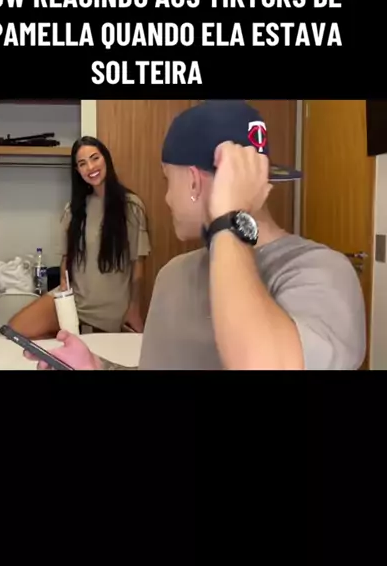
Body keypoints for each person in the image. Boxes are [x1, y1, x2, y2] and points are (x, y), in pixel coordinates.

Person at [25, 100, 366, 371]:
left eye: (167, 180)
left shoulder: (321, 272)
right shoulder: (173, 275)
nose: (166, 198)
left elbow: (265, 364)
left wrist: (228, 220)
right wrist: (98, 367)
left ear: (193, 182)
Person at [10, 136, 151, 336]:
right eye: (82, 163)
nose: (90, 167)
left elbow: (138, 265)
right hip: (73, 299)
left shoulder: (131, 206)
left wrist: (134, 309)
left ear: (106, 159)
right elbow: (66, 257)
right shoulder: (74, 209)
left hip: (111, 308)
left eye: (95, 158)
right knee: (14, 332)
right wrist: (63, 286)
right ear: (77, 170)